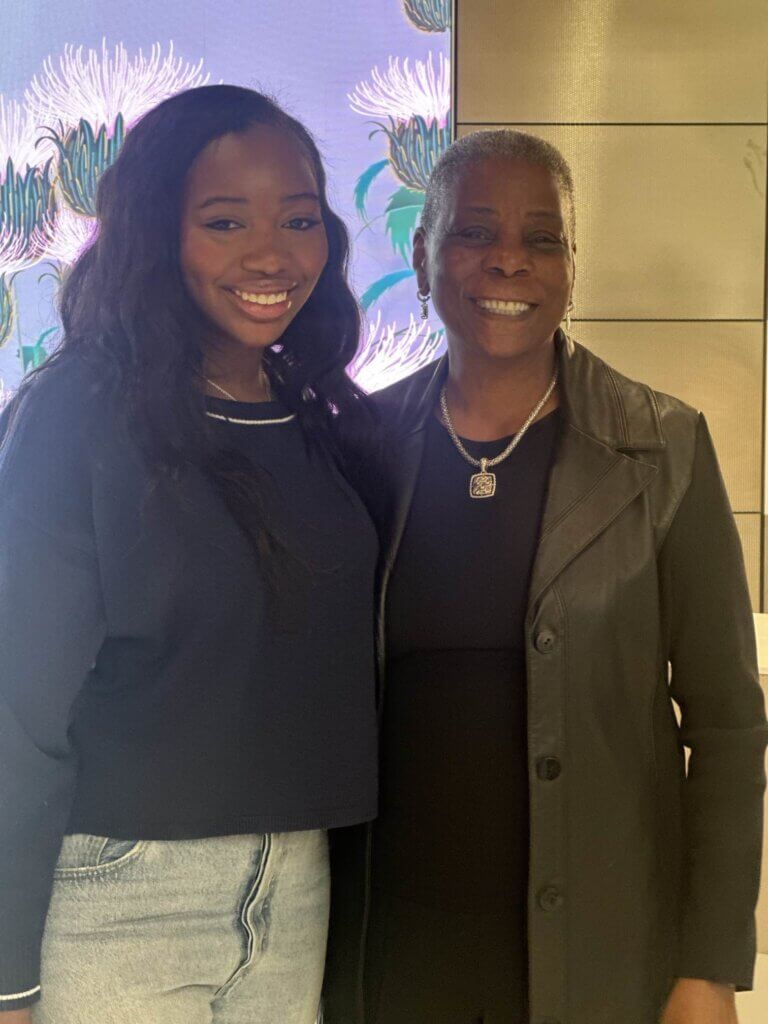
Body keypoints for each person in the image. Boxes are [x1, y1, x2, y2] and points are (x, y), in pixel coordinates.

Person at [323, 129, 768, 1024]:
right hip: (391, 949)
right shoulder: (358, 447)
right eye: (475, 232)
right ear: (423, 254)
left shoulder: (660, 448)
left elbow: (727, 722)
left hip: (599, 947)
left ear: (571, 265)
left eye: (542, 238)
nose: (509, 261)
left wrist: (709, 965)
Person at [0, 84, 379, 1023]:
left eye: (298, 219)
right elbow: (15, 713)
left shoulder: (318, 420)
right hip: (115, 892)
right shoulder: (79, 412)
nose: (270, 254)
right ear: (153, 235)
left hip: (295, 887)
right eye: (223, 221)